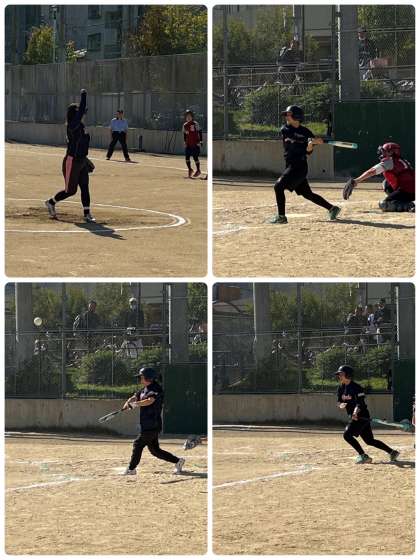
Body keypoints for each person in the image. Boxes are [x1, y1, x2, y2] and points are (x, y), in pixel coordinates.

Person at [269, 105, 341, 224]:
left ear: (296, 117)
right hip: (290, 165)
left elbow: (308, 151)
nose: (286, 116)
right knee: (308, 194)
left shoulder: (306, 132)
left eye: (289, 114)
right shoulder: (285, 129)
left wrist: (311, 144)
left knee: (278, 186)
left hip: (299, 167)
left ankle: (281, 217)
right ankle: (332, 208)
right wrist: (311, 140)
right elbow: (296, 136)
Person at [122, 367, 185, 476]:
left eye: (141, 377)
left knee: (138, 444)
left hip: (153, 424)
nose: (140, 379)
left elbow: (150, 401)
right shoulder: (144, 389)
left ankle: (131, 469)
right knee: (155, 451)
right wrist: (128, 403)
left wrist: (135, 404)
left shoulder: (156, 388)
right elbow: (135, 397)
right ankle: (178, 461)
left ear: (148, 378)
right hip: (146, 424)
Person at [45, 89, 95, 223]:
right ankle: (51, 202)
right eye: (80, 113)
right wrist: (84, 94)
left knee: (85, 186)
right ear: (75, 114)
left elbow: (82, 144)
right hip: (72, 161)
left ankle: (87, 213)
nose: (83, 114)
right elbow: (82, 109)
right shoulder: (73, 125)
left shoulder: (80, 125)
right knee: (71, 191)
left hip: (81, 160)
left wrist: (86, 159)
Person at [335, 364, 399, 464]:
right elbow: (339, 402)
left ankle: (363, 456)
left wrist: (355, 412)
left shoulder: (357, 388)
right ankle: (392, 452)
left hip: (361, 416)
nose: (339, 376)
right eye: (339, 374)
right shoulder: (341, 388)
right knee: (369, 440)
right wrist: (340, 405)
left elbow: (360, 403)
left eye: (341, 374)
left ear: (348, 375)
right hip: (354, 417)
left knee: (347, 435)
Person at [346, 143, 415, 212]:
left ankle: (410, 206)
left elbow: (372, 171)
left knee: (384, 204)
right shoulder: (401, 160)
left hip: (407, 191)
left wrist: (356, 181)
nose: (382, 153)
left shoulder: (390, 161)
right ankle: (400, 200)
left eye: (384, 151)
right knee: (386, 183)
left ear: (391, 152)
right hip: (412, 189)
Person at [183, 109, 203, 178]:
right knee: (187, 157)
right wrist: (185, 142)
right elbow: (185, 134)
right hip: (188, 143)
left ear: (192, 117)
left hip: (195, 143)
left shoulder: (195, 124)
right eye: (187, 116)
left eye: (189, 116)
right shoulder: (185, 125)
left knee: (195, 157)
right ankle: (190, 169)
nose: (188, 117)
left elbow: (200, 131)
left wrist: (201, 141)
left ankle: (198, 170)